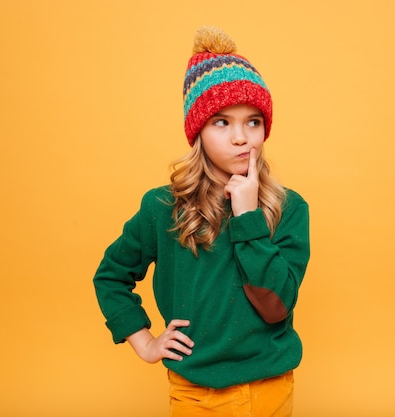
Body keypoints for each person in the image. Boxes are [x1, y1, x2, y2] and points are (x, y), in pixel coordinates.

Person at [93, 26, 310, 417]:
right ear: (198, 131)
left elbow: (277, 306)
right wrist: (144, 342)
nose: (241, 138)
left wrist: (247, 217)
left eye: (253, 121)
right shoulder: (162, 207)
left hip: (271, 390)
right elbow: (111, 276)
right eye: (222, 122)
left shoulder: (289, 208)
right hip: (196, 395)